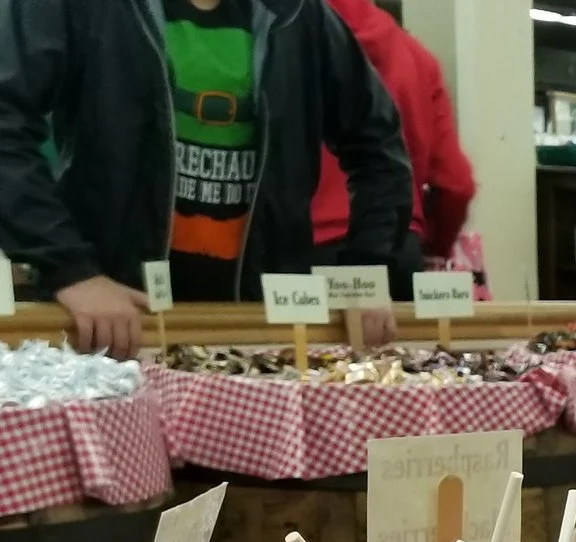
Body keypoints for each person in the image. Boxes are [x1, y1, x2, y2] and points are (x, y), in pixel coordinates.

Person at [0, 0, 410, 358]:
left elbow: (379, 147)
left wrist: (366, 274)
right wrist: (72, 271)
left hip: (259, 334)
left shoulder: (299, 14)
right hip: (113, 326)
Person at [311, 0, 473, 299]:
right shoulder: (418, 59)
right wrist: (430, 245)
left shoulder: (283, 45)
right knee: (397, 349)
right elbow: (457, 184)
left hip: (308, 250)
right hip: (397, 248)